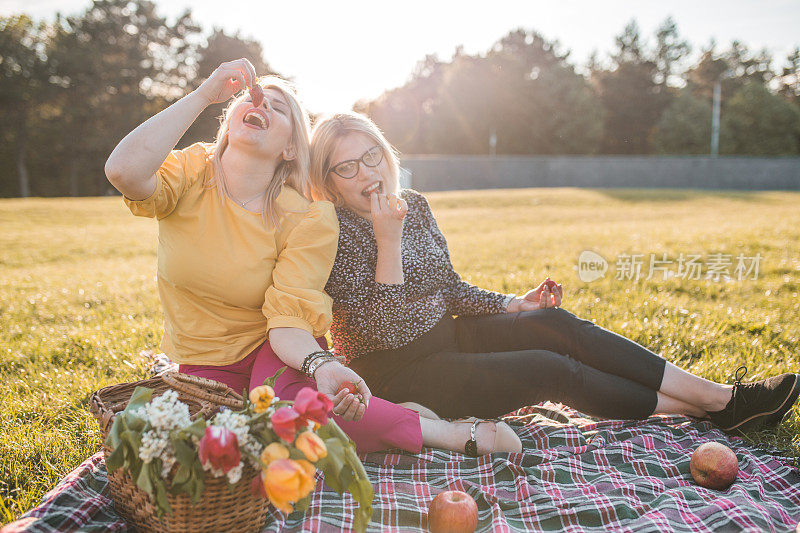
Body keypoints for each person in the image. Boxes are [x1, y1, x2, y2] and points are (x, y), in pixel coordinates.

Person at [104, 59, 518, 458]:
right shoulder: (189, 170)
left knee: (290, 415)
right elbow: (123, 171)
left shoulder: (308, 216)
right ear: (229, 121)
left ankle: (440, 431)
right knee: (237, 444)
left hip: (281, 345)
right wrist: (203, 95)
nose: (259, 105)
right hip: (203, 357)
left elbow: (287, 320)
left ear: (289, 147)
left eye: (277, 106)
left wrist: (319, 364)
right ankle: (400, 416)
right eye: (251, 99)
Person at [309, 111, 800, 437]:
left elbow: (449, 289)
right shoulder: (330, 229)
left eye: (370, 155)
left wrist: (513, 305)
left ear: (384, 152)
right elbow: (385, 323)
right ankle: (703, 409)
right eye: (346, 168)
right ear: (327, 182)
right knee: (551, 370)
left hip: (448, 337)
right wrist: (386, 240)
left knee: (555, 325)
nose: (366, 173)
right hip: (398, 373)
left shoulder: (413, 205)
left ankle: (722, 397)